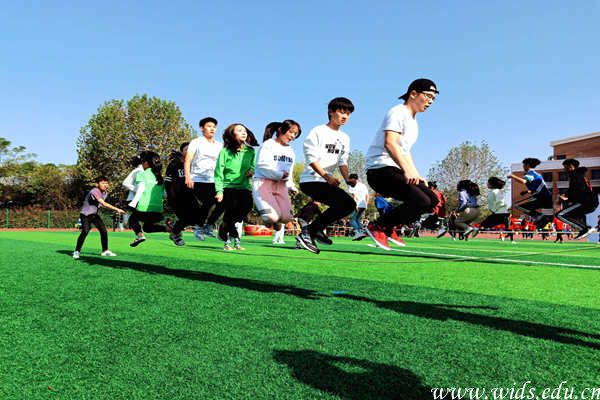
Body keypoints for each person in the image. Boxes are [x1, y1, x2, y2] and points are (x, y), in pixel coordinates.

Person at [364, 79, 440, 250]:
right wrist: (406, 170)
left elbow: (405, 152)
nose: (430, 101)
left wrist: (416, 174)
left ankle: (389, 226)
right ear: (413, 94)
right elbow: (390, 143)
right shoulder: (398, 112)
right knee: (421, 200)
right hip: (380, 170)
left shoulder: (414, 123)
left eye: (433, 99)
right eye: (428, 96)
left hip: (395, 169)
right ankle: (378, 226)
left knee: (432, 200)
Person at [295, 97, 357, 254]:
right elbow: (311, 158)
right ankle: (310, 231)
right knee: (346, 204)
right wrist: (326, 176)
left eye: (348, 114)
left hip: (325, 181)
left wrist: (347, 179)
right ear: (331, 112)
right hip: (311, 180)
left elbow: (342, 161)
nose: (345, 116)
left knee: (348, 205)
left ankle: (314, 230)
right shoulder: (318, 131)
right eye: (342, 112)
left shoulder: (345, 138)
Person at [253, 120, 301, 245]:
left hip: (281, 186)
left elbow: (289, 171)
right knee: (271, 217)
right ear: (281, 130)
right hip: (263, 183)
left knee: (287, 218)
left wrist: (291, 186)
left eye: (295, 134)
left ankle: (275, 221)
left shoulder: (290, 151)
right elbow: (261, 165)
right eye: (291, 132)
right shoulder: (268, 145)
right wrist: (279, 174)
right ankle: (270, 220)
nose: (293, 136)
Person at [214, 123, 258, 250]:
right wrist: (219, 191)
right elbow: (218, 173)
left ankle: (224, 226)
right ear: (232, 135)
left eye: (245, 131)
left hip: (244, 187)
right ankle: (228, 242)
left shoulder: (250, 151)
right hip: (228, 187)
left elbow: (254, 165)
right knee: (230, 213)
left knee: (246, 208)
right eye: (239, 130)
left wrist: (252, 170)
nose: (243, 133)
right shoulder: (225, 152)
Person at [184, 117, 224, 240]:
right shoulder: (196, 142)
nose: (212, 129)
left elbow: (223, 163)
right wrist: (187, 176)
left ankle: (209, 225)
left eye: (214, 127)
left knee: (222, 202)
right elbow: (188, 160)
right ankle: (200, 227)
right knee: (208, 202)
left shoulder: (219, 145)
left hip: (214, 180)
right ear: (202, 128)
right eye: (209, 126)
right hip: (198, 179)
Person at [73, 176, 125, 259]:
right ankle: (77, 251)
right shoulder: (94, 191)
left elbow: (101, 205)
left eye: (106, 183)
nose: (105, 184)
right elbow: (103, 203)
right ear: (97, 184)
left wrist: (110, 210)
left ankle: (105, 251)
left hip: (94, 214)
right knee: (85, 231)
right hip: (85, 215)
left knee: (104, 231)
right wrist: (117, 209)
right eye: (103, 183)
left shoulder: (105, 193)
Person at [164, 142, 201, 246]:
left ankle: (174, 227)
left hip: (190, 196)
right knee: (186, 218)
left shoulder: (194, 164)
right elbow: (167, 182)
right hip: (177, 196)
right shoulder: (174, 164)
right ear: (182, 152)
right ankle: (175, 235)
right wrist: (170, 196)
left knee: (196, 218)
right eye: (186, 149)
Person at [128, 151, 168, 247]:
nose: (142, 165)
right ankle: (169, 229)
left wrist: (133, 202)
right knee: (147, 228)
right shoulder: (160, 177)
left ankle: (140, 236)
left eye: (142, 162)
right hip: (158, 209)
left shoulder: (142, 174)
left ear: (146, 163)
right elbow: (165, 195)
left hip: (144, 207)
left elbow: (140, 190)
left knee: (132, 220)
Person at [555, 158, 599, 240]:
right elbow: (575, 189)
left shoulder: (576, 176)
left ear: (571, 167)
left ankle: (584, 229)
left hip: (586, 202)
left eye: (565, 167)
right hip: (591, 202)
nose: (564, 169)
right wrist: (566, 196)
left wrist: (567, 198)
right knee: (576, 213)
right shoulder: (579, 175)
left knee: (560, 215)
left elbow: (579, 189)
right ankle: (585, 227)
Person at [509, 158, 553, 230]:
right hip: (547, 197)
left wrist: (512, 176)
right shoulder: (537, 175)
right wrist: (527, 191)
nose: (523, 167)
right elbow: (538, 187)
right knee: (525, 207)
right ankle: (541, 220)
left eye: (524, 165)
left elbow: (523, 181)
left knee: (517, 206)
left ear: (527, 165)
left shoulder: (529, 173)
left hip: (541, 197)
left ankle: (540, 216)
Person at [478, 177, 514, 242]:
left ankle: (468, 234)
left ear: (492, 184)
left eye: (488, 183)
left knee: (482, 225)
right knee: (507, 228)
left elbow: (500, 202)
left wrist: (493, 209)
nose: (487, 184)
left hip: (500, 214)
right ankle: (511, 240)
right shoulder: (494, 191)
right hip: (501, 213)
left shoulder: (496, 191)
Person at [122, 153, 146, 227]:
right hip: (133, 199)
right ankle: (128, 219)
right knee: (137, 217)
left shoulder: (147, 172)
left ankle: (129, 219)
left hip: (142, 199)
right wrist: (137, 190)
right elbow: (125, 183)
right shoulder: (137, 170)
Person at [347, 173, 370, 240]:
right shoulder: (363, 185)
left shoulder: (352, 186)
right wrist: (366, 205)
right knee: (357, 219)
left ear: (352, 179)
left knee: (352, 220)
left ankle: (358, 232)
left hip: (357, 204)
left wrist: (355, 205)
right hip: (363, 205)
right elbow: (367, 196)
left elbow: (354, 196)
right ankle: (362, 231)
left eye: (350, 179)